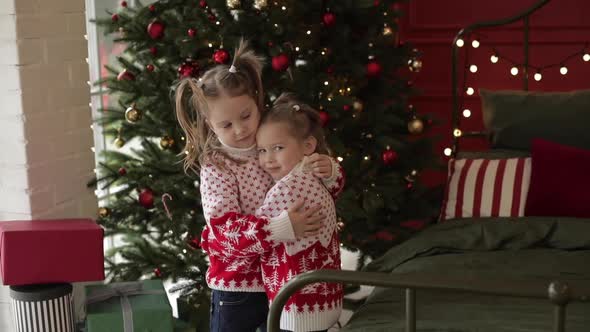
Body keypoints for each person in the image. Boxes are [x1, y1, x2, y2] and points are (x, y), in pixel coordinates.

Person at [174, 40, 344, 332]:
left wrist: (330, 173)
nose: (240, 129)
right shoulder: (217, 166)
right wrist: (278, 228)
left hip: (282, 280)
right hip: (239, 287)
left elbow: (310, 189)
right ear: (209, 123)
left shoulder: (272, 137)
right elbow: (223, 232)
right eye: (226, 125)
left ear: (257, 102)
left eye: (246, 116)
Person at [256, 93, 344, 332]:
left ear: (308, 146)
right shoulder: (314, 175)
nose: (267, 159)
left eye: (278, 148)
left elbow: (256, 233)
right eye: (262, 150)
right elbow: (335, 185)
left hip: (295, 308)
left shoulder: (288, 188)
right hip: (323, 301)